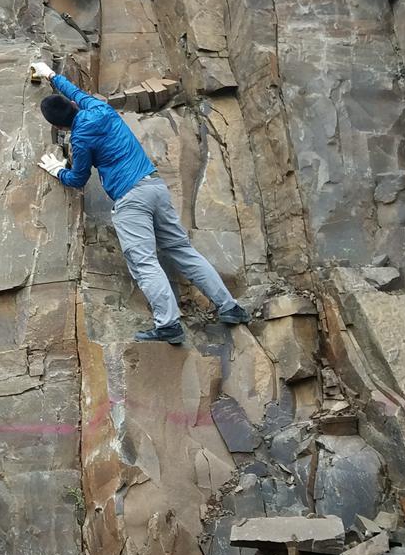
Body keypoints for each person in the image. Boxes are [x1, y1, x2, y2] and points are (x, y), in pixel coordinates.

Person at [31, 62, 250, 344]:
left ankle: (169, 325)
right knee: (183, 250)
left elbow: (78, 179)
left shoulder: (81, 138)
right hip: (154, 186)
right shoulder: (99, 108)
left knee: (145, 262)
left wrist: (56, 169)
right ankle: (230, 307)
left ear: (59, 126)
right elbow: (75, 91)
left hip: (131, 200)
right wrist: (50, 75)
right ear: (74, 106)